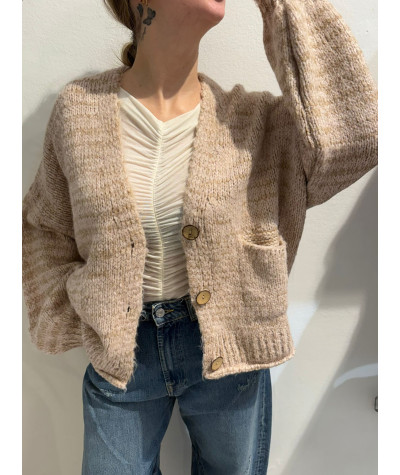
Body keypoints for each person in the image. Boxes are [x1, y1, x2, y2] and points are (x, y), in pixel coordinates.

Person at [22, 0, 378, 474]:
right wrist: (77, 312)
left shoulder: (255, 124)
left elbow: (360, 135)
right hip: (122, 357)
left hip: (231, 352)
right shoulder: (79, 111)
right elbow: (44, 225)